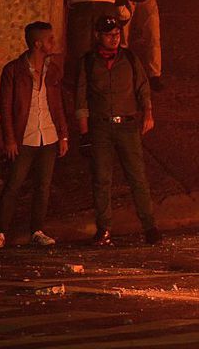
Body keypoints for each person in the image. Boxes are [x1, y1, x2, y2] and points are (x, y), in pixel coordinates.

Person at [76, 15, 160, 246]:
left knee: (138, 177)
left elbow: (143, 89)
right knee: (102, 179)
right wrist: (84, 134)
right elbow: (81, 99)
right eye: (108, 34)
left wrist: (149, 114)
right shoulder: (88, 62)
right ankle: (104, 230)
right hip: (100, 127)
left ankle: (150, 226)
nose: (114, 38)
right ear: (98, 36)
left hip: (128, 126)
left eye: (117, 34)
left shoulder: (130, 59)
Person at [0, 22, 69, 248]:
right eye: (50, 39)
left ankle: (37, 230)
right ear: (38, 44)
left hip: (49, 136)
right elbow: (5, 108)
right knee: (13, 184)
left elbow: (58, 105)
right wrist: (9, 138)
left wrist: (63, 135)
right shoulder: (13, 70)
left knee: (43, 185)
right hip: (24, 137)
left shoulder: (53, 70)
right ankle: (0, 232)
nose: (53, 43)